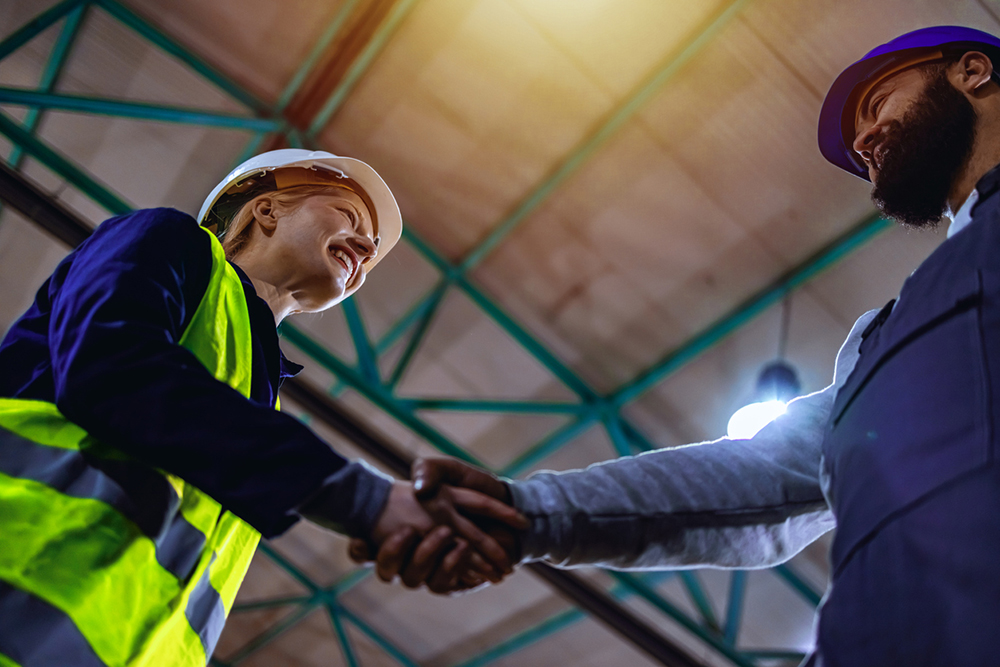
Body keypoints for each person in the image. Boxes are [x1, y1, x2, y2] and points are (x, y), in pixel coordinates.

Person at [361, 26, 1000, 666]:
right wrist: (522, 511)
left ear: (972, 72)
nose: (862, 142)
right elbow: (764, 478)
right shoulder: (877, 341)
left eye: (878, 104)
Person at [0, 148, 525, 667]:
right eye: (348, 216)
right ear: (267, 210)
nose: (365, 247)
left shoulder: (261, 394)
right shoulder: (172, 242)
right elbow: (111, 370)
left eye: (371, 247)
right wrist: (363, 500)